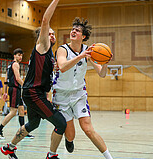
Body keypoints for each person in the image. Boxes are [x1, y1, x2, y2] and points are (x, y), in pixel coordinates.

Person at [0, 0, 67, 159]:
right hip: (34, 93)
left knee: (34, 124)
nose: (52, 34)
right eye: (48, 32)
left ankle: (9, 147)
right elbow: (45, 20)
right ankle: (51, 155)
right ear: (43, 36)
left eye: (53, 33)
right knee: (61, 123)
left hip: (34, 93)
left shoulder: (49, 53)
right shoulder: (42, 45)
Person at [53, 17, 113, 159]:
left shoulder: (89, 51)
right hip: (61, 96)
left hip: (79, 94)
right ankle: (69, 140)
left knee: (87, 129)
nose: (73, 31)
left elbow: (102, 74)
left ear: (83, 36)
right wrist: (80, 56)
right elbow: (62, 67)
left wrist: (105, 63)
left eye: (77, 30)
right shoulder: (62, 50)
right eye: (73, 29)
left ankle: (109, 157)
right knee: (70, 133)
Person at [0, 48, 34, 139]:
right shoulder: (15, 64)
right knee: (13, 111)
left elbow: (5, 80)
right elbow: (18, 78)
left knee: (21, 111)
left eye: (21, 55)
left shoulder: (9, 66)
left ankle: (23, 132)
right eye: (19, 55)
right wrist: (26, 87)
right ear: (14, 55)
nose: (20, 57)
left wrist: (5, 92)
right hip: (15, 89)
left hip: (14, 89)